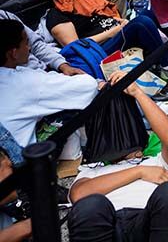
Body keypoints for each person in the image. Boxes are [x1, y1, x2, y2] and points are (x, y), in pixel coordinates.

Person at [67, 70, 168, 241]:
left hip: (147, 223)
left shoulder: (157, 161)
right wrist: (139, 172)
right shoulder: (91, 171)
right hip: (107, 225)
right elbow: (79, 195)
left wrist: (137, 92)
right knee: (89, 206)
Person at [0, 19, 98, 147]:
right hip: (20, 160)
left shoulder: (14, 74)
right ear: (13, 53)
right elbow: (88, 86)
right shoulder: (24, 82)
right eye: (26, 43)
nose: (29, 48)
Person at [0, 10, 84, 75]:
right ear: (13, 53)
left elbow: (36, 44)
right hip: (31, 80)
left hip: (47, 71)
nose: (28, 48)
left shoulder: (4, 15)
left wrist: (63, 66)